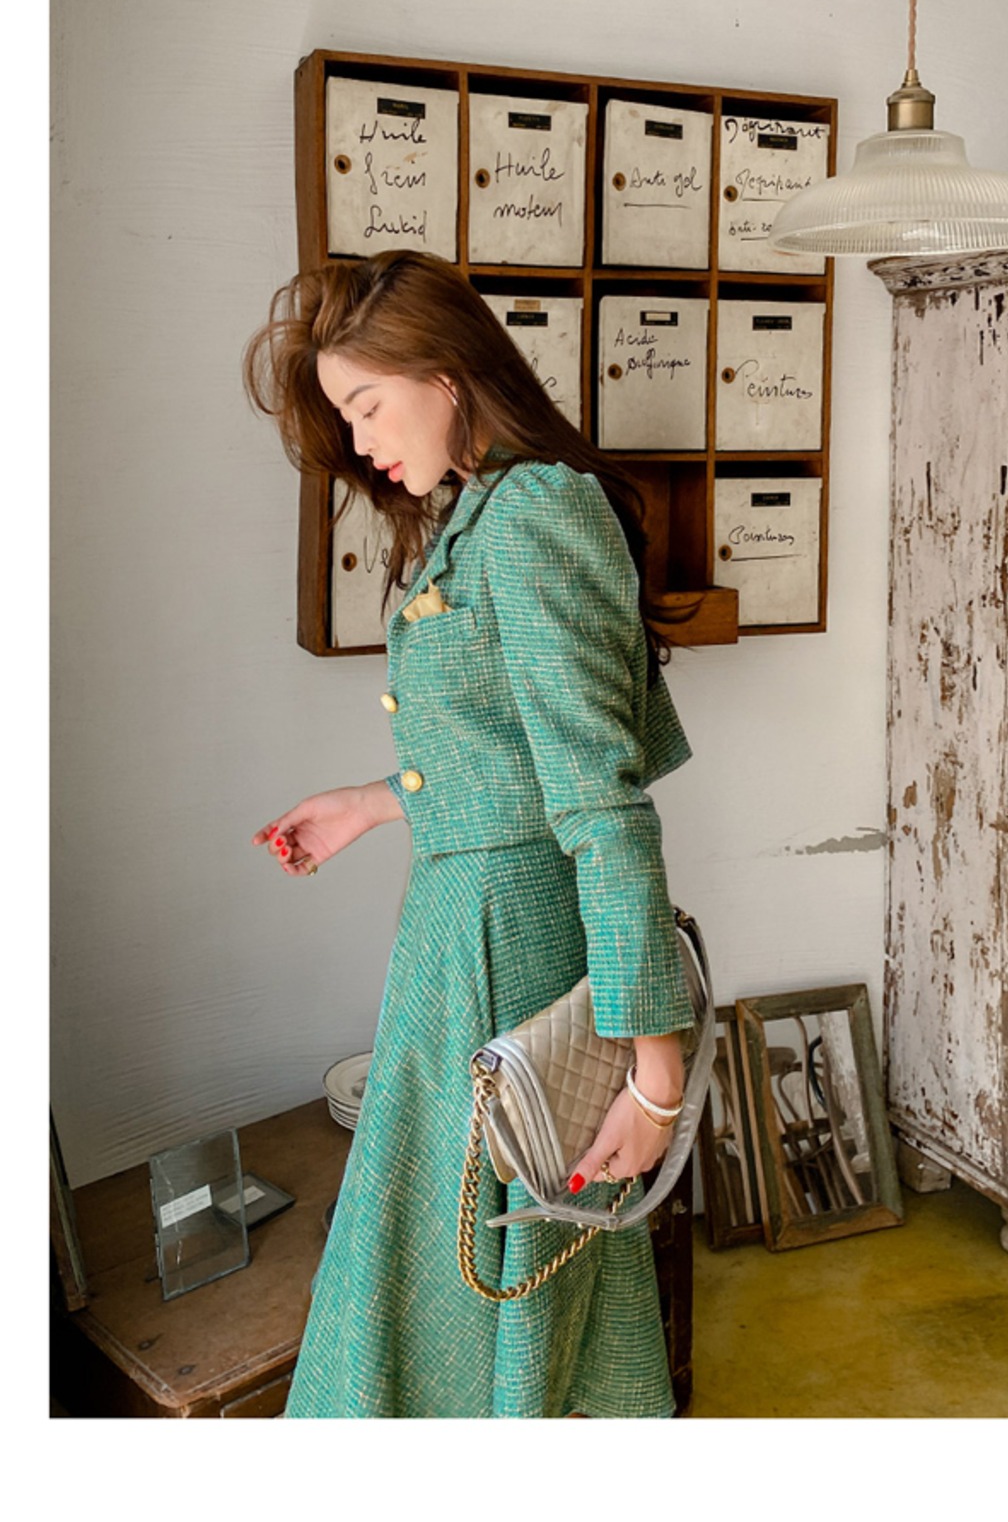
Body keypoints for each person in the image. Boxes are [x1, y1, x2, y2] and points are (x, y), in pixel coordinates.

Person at [243, 250, 694, 1418]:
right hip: (463, 944)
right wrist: (373, 800)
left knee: (468, 1280)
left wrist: (654, 1082)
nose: (358, 442)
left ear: (445, 374)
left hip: (506, 951)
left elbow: (599, 802)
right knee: (457, 1274)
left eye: (366, 404)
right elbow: (519, 759)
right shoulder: (483, 512)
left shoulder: (535, 508)